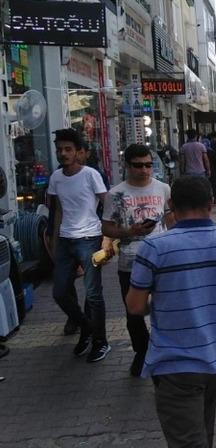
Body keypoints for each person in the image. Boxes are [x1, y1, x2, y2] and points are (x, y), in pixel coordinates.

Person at [127, 175, 216, 447]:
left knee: (189, 440)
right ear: (211, 203)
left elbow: (135, 306)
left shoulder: (154, 248)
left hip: (175, 364)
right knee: (203, 431)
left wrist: (163, 301)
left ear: (171, 205)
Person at [101, 144, 173, 376]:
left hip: (161, 259)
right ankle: (141, 352)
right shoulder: (115, 194)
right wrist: (129, 231)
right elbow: (107, 228)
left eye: (148, 165)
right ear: (127, 166)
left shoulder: (163, 188)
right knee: (134, 311)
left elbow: (170, 219)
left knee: (165, 306)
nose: (144, 170)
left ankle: (162, 351)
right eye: (138, 165)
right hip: (130, 261)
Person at [47, 129, 111, 362]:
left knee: (93, 294)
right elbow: (58, 211)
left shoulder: (90, 174)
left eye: (68, 149)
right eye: (59, 150)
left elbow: (108, 204)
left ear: (78, 152)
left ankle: (100, 341)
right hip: (65, 240)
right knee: (59, 292)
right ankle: (86, 327)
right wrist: (55, 242)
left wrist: (108, 237)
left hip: (90, 238)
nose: (63, 153)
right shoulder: (56, 178)